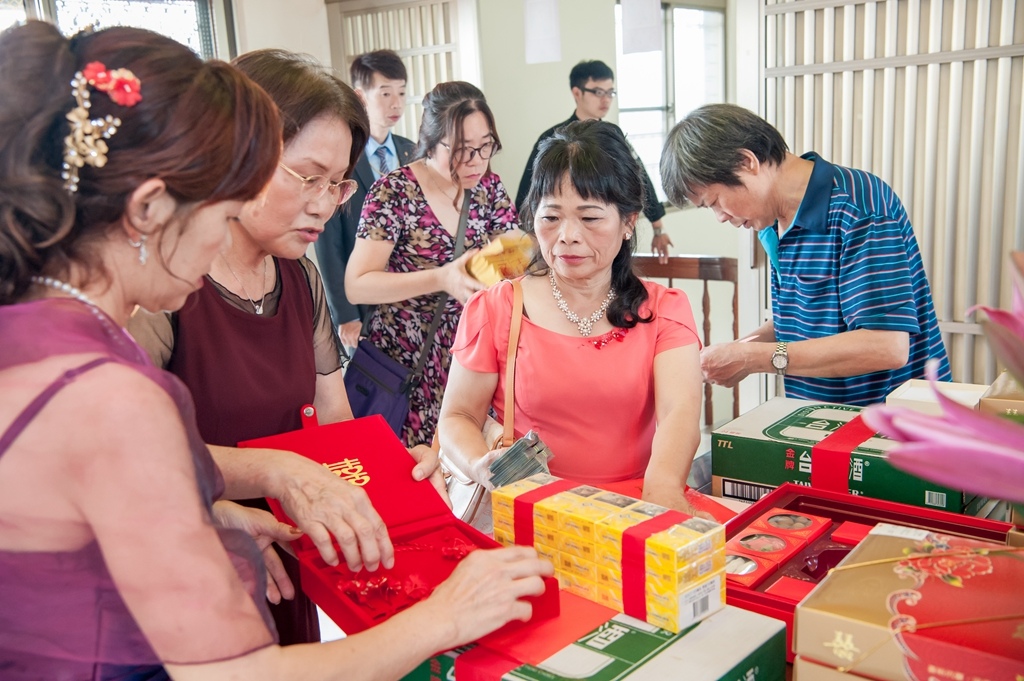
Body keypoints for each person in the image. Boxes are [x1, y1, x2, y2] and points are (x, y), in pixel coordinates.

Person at [0, 21, 552, 680]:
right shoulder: (110, 391)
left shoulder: (33, 331)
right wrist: (449, 614)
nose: (222, 234)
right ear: (150, 207)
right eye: (223, 204)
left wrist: (220, 504)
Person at [437, 120, 705, 515]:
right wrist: (478, 464)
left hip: (640, 505)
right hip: (532, 511)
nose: (567, 236)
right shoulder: (497, 308)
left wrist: (663, 490)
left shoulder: (664, 309)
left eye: (590, 218)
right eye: (551, 218)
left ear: (629, 221)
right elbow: (458, 415)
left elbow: (678, 413)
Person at [660, 103, 951, 406]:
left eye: (716, 201)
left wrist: (750, 358)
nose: (720, 217)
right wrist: (736, 351)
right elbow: (800, 323)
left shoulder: (860, 207)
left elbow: (885, 346)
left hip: (896, 427)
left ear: (747, 162)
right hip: (824, 418)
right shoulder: (774, 224)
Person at [345, 81, 519, 448]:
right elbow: (357, 283)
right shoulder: (395, 191)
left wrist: (508, 261)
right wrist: (442, 278)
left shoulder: (489, 188)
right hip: (404, 363)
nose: (476, 161)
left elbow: (513, 249)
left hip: (467, 362)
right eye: (461, 150)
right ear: (431, 140)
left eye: (485, 146)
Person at [515, 60, 673, 262]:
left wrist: (658, 228)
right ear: (577, 93)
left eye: (610, 93)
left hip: (603, 246)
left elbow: (639, 181)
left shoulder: (613, 136)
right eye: (598, 92)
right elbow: (525, 198)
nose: (605, 100)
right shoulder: (552, 139)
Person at [315, 49, 415, 350]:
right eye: (385, 93)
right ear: (361, 96)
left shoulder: (412, 152)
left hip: (411, 299)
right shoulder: (344, 156)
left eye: (401, 92)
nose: (396, 103)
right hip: (363, 304)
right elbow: (328, 243)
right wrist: (344, 314)